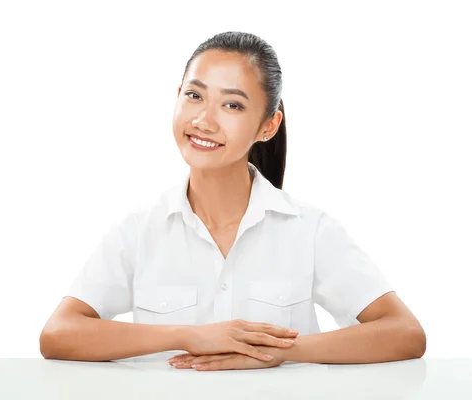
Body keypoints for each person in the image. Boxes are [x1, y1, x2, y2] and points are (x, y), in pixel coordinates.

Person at [39, 31, 426, 371]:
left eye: (232, 105)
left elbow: (404, 332)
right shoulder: (140, 230)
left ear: (267, 126)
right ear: (177, 97)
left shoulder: (309, 229)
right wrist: (187, 335)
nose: (204, 121)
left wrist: (284, 351)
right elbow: (58, 334)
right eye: (194, 96)